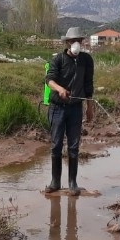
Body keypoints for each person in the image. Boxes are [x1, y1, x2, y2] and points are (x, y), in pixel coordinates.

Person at [44, 27, 94, 195]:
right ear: (67, 43)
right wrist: (60, 89)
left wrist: (89, 107)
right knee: (56, 144)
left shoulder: (87, 60)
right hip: (57, 108)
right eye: (73, 41)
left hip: (75, 109)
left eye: (79, 41)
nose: (76, 44)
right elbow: (49, 79)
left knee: (74, 146)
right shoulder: (58, 59)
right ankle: (55, 182)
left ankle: (72, 183)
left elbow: (88, 85)